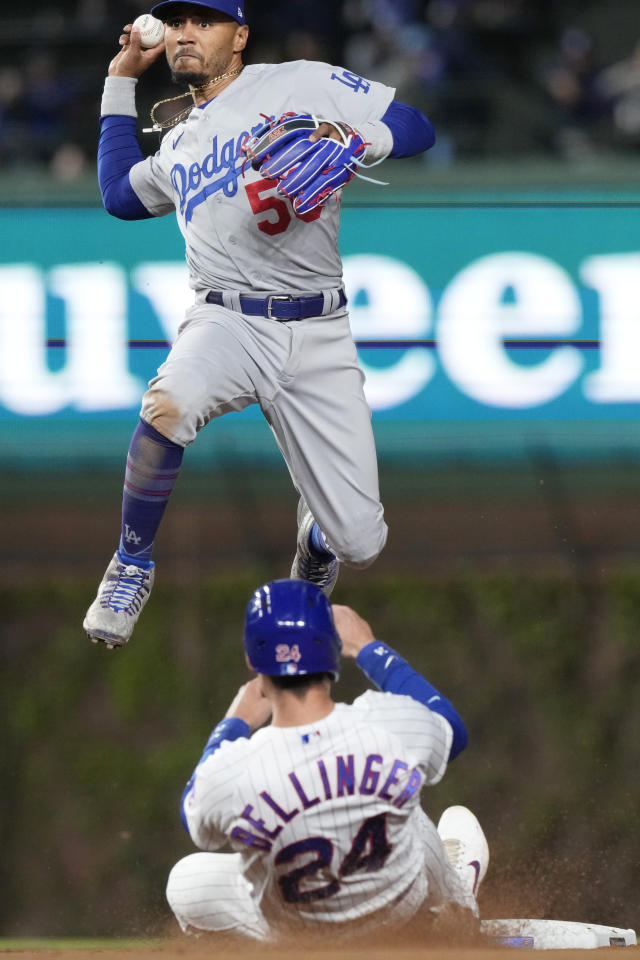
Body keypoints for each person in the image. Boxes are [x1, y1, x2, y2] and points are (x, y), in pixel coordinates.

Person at [82, 0, 436, 648]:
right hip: (228, 320)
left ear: (239, 34)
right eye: (178, 21)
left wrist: (355, 137)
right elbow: (117, 196)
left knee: (360, 539)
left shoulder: (299, 82)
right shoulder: (181, 140)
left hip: (319, 329)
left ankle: (314, 540)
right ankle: (131, 562)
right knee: (170, 402)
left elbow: (416, 125)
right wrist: (121, 78)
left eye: (204, 20)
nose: (187, 32)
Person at [165, 578, 489, 941]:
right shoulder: (387, 724)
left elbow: (191, 813)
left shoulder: (233, 769)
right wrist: (368, 647)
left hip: (298, 935)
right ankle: (459, 909)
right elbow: (451, 729)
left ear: (251, 660)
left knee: (185, 881)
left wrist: (234, 723)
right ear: (333, 649)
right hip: (400, 915)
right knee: (403, 796)